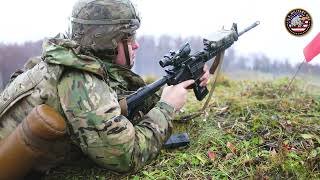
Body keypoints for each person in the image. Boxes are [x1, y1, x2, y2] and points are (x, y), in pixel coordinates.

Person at [0, 0, 209, 176]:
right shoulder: (80, 82)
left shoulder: (70, 58)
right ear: (107, 41)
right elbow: (128, 156)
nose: (136, 45)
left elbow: (114, 98)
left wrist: (176, 83)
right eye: (129, 38)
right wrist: (166, 108)